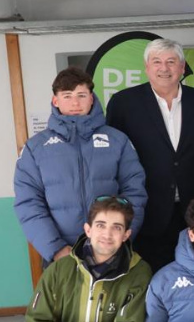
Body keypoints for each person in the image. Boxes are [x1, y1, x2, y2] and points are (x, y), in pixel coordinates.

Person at [106, 38, 194, 272]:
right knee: (150, 278)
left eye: (171, 61)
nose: (164, 68)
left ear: (182, 67)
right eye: (156, 62)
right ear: (147, 68)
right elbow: (113, 161)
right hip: (147, 210)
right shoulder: (123, 103)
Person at [14, 67, 147, 265]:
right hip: (60, 256)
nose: (75, 103)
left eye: (81, 95)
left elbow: (135, 193)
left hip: (112, 252)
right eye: (67, 96)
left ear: (91, 98)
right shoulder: (35, 148)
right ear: (55, 101)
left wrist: (119, 241)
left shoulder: (117, 140)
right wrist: (55, 248)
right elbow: (29, 203)